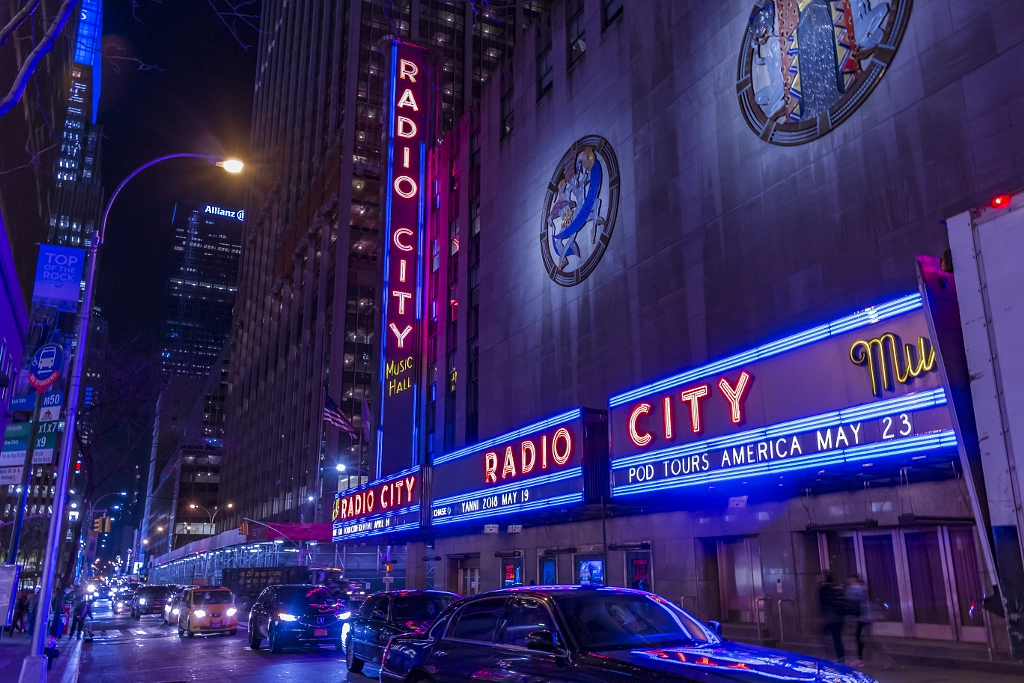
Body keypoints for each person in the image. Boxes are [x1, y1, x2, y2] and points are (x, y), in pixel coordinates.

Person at [818, 574, 845, 663]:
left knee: (832, 639)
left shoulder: (823, 590)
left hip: (831, 618)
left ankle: (836, 657)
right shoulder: (836, 589)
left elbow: (823, 605)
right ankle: (840, 657)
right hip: (838, 618)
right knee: (837, 638)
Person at [845, 574, 870, 667]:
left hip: (859, 616)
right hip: (863, 616)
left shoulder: (853, 588)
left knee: (857, 638)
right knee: (858, 637)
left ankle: (859, 659)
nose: (849, 581)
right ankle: (859, 658)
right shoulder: (862, 587)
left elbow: (850, 599)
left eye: (850, 579)